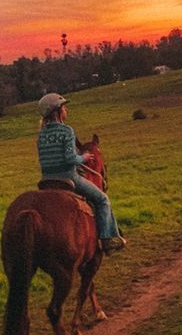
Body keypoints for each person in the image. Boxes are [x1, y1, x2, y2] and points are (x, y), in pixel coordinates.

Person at [37, 93, 126, 254]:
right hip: (68, 178)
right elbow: (70, 158)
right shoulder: (66, 131)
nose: (66, 110)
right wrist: (83, 157)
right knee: (102, 199)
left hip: (46, 181)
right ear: (57, 111)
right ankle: (107, 239)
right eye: (64, 107)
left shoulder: (41, 134)